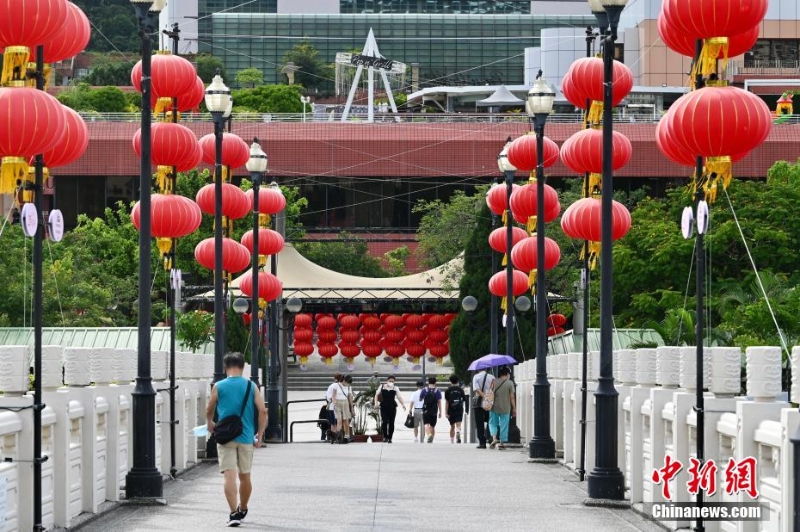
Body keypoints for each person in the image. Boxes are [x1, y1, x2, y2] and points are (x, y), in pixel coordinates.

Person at [206, 353, 267, 527]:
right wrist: (260, 434)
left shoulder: (218, 385)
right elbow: (263, 411)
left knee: (229, 475)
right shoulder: (251, 386)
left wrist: (209, 423)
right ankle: (243, 508)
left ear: (225, 368)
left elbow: (209, 408)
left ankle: (233, 513)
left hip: (225, 437)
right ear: (242, 367)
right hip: (246, 437)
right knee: (245, 476)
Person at [489, 367, 516, 450]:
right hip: (506, 407)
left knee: (493, 423)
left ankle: (494, 438)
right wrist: (514, 408)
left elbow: (490, 393)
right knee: (504, 425)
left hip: (494, 407)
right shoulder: (510, 383)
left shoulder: (494, 381)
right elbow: (511, 397)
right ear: (507, 374)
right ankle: (501, 443)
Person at [374, 375, 406, 443]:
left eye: (392, 381)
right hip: (383, 407)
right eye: (390, 381)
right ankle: (385, 436)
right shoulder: (382, 386)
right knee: (384, 422)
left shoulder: (395, 388)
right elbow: (376, 395)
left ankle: (390, 437)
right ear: (387, 381)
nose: (391, 382)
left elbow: (399, 397)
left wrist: (403, 404)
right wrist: (376, 403)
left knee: (391, 422)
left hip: (392, 407)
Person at [471, 367, 495, 449]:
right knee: (490, 421)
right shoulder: (492, 377)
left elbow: (476, 389)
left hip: (478, 403)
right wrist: (487, 396)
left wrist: (483, 396)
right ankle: (491, 439)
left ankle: (482, 443)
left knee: (479, 423)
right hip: (489, 402)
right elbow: (493, 388)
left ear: (478, 369)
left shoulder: (476, 377)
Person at [420, 376, 443, 443]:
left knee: (426, 424)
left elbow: (420, 399)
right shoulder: (437, 391)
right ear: (435, 382)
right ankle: (431, 439)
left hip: (426, 409)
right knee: (432, 425)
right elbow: (439, 402)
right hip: (434, 410)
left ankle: (429, 435)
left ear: (428, 382)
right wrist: (440, 412)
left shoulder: (424, 390)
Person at [444, 374, 466, 444]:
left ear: (451, 381)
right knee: (458, 425)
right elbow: (464, 400)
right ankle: (458, 431)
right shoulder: (461, 390)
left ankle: (452, 440)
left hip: (451, 410)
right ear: (458, 381)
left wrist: (446, 412)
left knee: (452, 426)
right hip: (459, 409)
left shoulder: (448, 390)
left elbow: (447, 402)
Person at [331, 373, 353, 443]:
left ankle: (347, 436)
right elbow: (333, 396)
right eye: (347, 383)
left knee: (346, 421)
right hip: (337, 403)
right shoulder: (336, 385)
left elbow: (350, 398)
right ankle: (338, 436)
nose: (347, 384)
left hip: (345, 403)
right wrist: (334, 403)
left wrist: (351, 408)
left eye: (349, 383)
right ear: (344, 380)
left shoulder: (349, 387)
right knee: (339, 421)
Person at [325, 373, 343, 442]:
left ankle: (333, 438)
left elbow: (328, 397)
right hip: (338, 406)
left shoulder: (332, 386)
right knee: (338, 423)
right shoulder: (340, 386)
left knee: (333, 423)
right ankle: (337, 437)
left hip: (332, 407)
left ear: (335, 378)